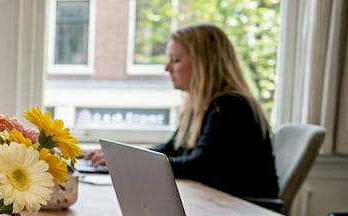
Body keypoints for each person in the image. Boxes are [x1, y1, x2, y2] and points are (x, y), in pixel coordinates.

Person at [82, 23, 278, 200]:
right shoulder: (200, 106)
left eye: (175, 60)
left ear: (203, 64)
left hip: (242, 213)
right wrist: (121, 156)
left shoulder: (231, 107)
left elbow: (197, 166)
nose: (167, 68)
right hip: (217, 206)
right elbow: (170, 149)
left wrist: (126, 162)